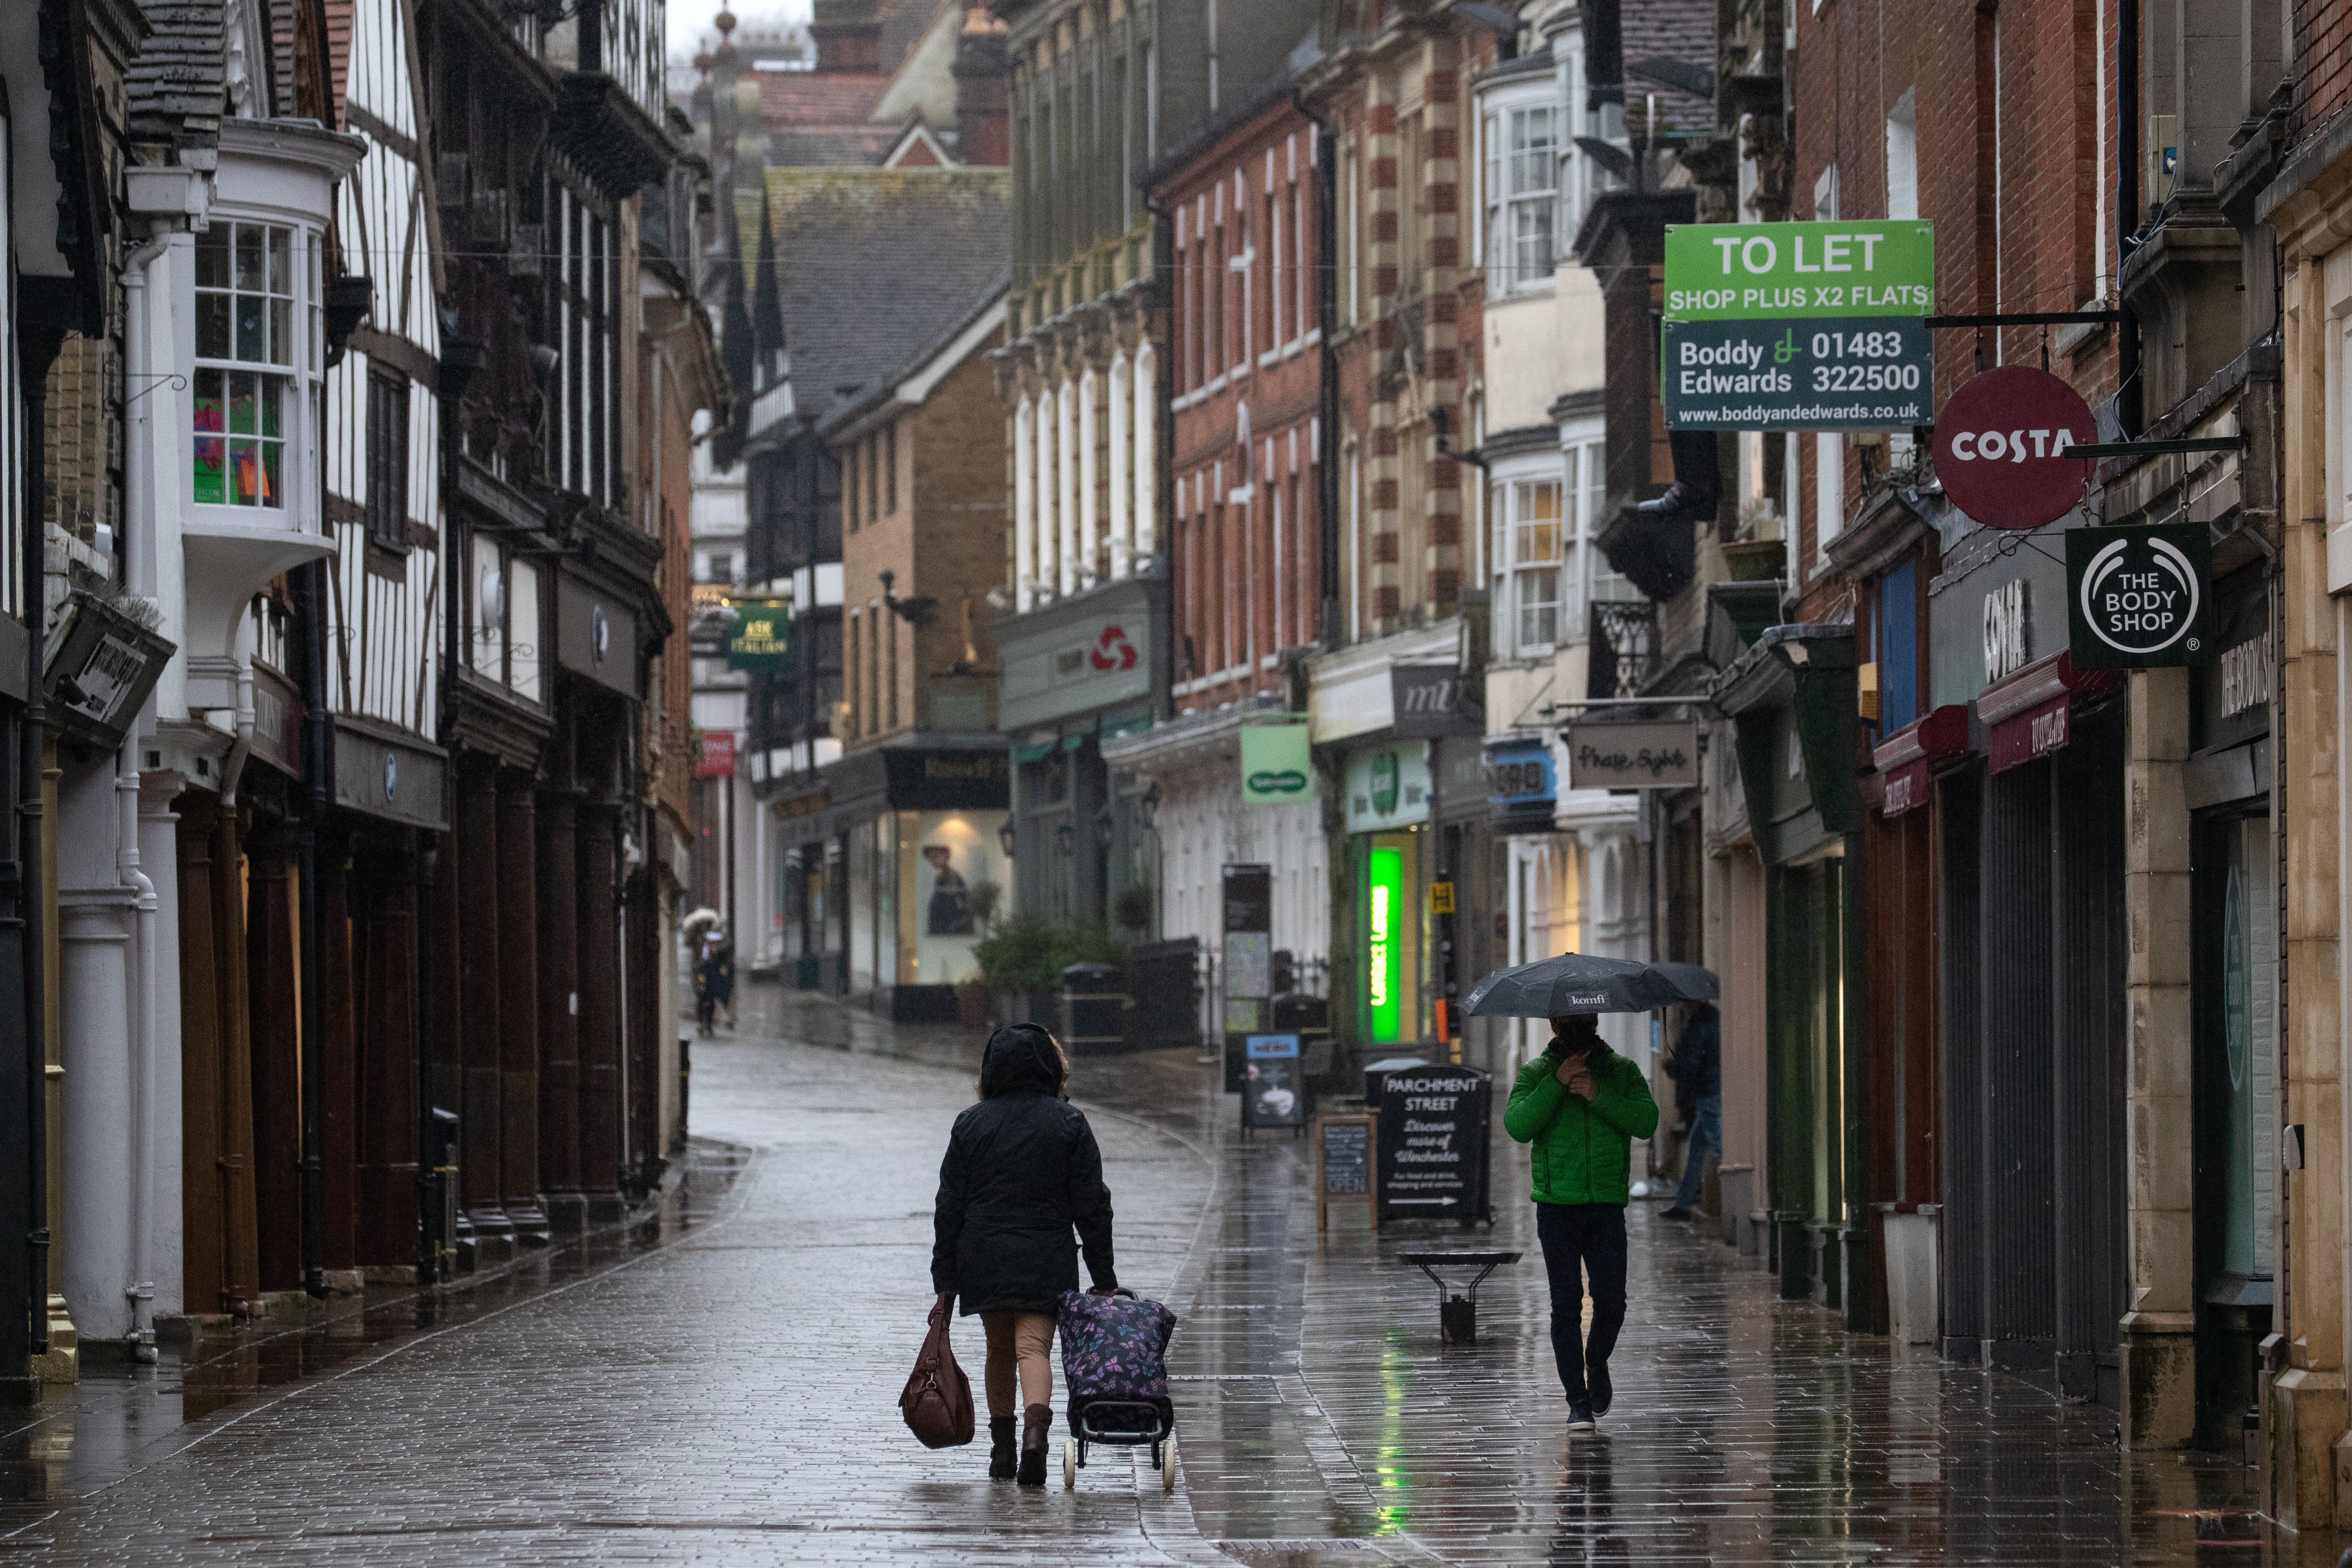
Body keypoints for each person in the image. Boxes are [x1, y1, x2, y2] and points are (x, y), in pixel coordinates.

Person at [931, 1023, 1118, 1484]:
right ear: (1049, 1067)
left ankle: (1003, 1451)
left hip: (985, 1253)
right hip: (1046, 1252)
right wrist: (1104, 1275)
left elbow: (949, 1203)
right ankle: (1037, 1435)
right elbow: (1092, 1204)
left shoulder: (970, 1124)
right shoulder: (1069, 1123)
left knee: (998, 1349)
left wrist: (945, 1275)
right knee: (1033, 1348)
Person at [1504, 1013, 1659, 1432]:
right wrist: (1556, 1082)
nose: (1577, 1029)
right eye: (1569, 1022)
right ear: (1554, 1025)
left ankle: (1597, 1359)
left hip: (1606, 1204)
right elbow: (1517, 1126)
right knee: (1565, 1302)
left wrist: (1598, 1093)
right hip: (1557, 1205)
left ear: (1595, 1021)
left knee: (1612, 1300)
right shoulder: (1537, 1072)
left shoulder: (1621, 1071)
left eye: (1584, 1021)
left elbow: (1646, 1121)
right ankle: (1578, 1400)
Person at [1663, 1002, 1721, 1221]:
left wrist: (1671, 1066)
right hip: (1709, 1089)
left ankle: (1739, 1199)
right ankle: (1684, 1203)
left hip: (1708, 1091)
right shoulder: (1712, 1020)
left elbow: (1691, 1064)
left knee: (1718, 1143)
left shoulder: (1700, 1025)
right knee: (1696, 1147)